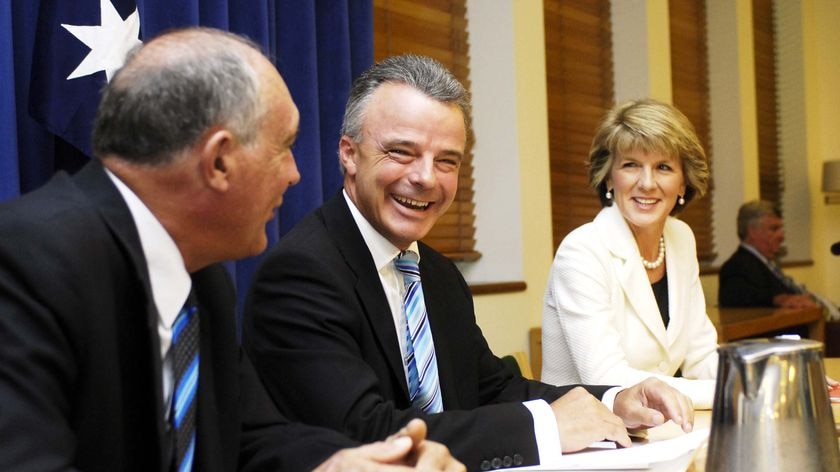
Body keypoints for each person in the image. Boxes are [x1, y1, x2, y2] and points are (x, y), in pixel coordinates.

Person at [0, 28, 464, 472]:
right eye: (284, 148)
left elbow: (251, 438)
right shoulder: (24, 260)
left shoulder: (203, 280)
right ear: (219, 161)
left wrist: (346, 463)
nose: (294, 175)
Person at [243, 55, 694, 471]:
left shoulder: (435, 273)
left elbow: (493, 388)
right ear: (349, 154)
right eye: (402, 151)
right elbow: (367, 434)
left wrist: (615, 401)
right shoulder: (301, 274)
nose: (424, 178)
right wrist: (544, 427)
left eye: (446, 161)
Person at [540, 99, 719, 409]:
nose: (647, 183)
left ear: (683, 182)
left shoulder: (680, 238)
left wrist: (768, 380)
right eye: (631, 165)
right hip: (588, 438)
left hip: (656, 429)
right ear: (609, 178)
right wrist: (731, 393)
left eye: (663, 167)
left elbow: (700, 355)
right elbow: (606, 377)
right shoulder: (581, 251)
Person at [719, 200, 838, 319]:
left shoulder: (767, 263)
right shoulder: (736, 265)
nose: (782, 236)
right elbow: (733, 295)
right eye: (774, 229)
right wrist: (777, 299)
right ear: (752, 231)